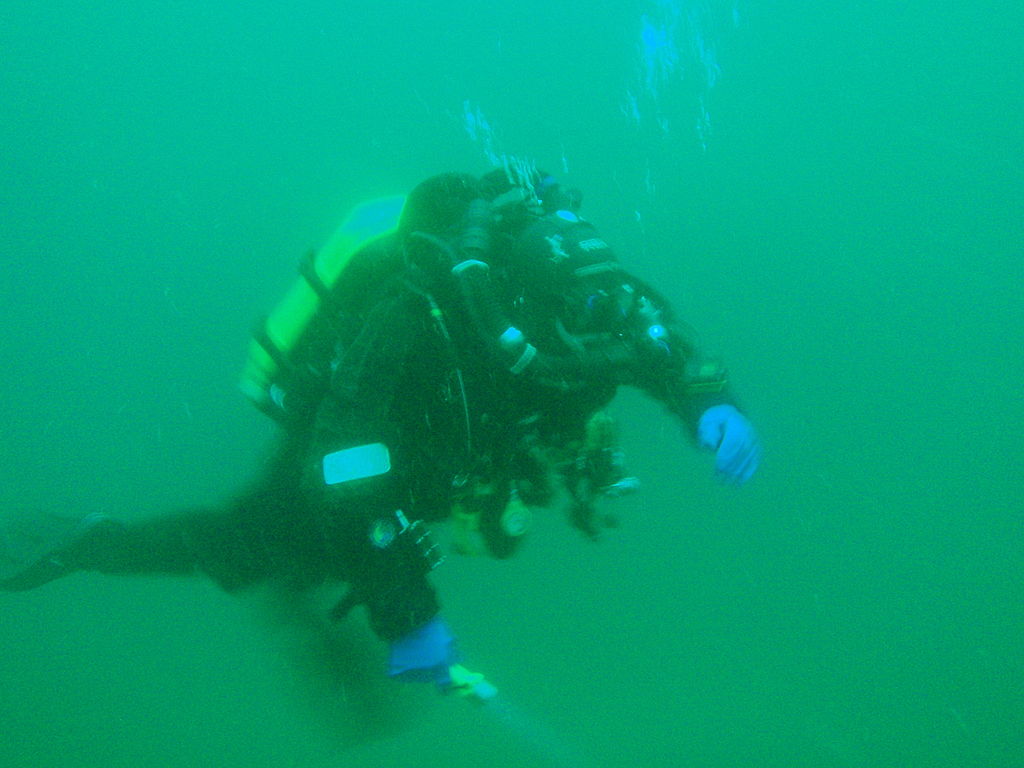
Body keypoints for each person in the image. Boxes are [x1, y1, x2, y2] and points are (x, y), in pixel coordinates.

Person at [1, 166, 761, 696]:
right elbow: (342, 464)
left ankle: (307, 592)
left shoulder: (588, 299)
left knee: (307, 562)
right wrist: (406, 609)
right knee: (250, 544)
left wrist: (711, 406)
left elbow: (657, 341)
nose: (590, 345)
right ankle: (83, 542)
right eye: (574, 323)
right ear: (519, 301)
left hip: (432, 459)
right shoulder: (416, 314)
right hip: (341, 452)